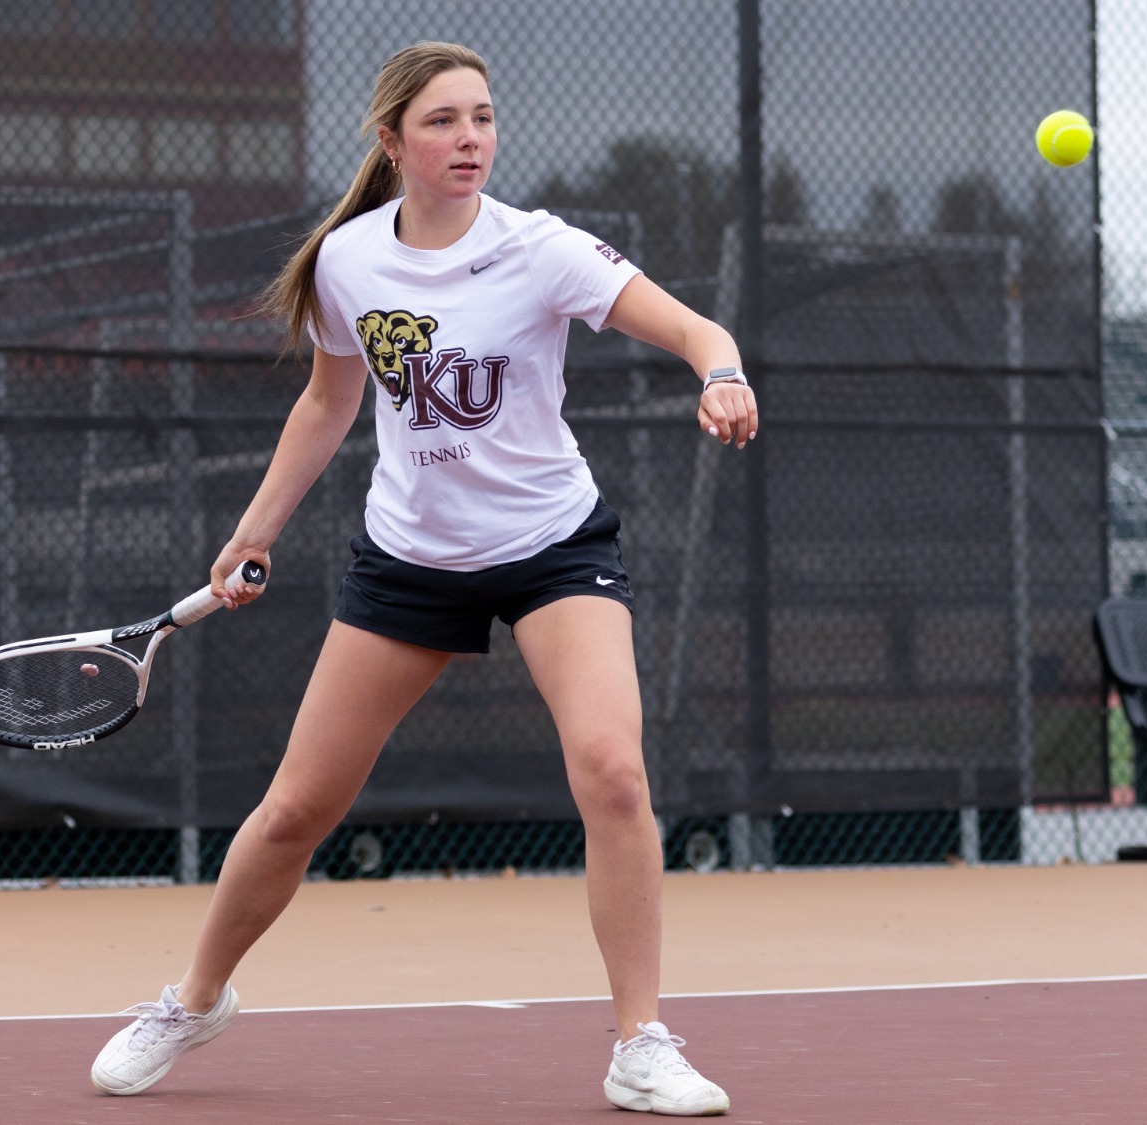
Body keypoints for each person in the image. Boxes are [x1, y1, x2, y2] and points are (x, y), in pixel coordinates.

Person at [88, 41, 755, 1117]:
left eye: (482, 117)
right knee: (297, 807)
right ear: (393, 141)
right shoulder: (347, 261)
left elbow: (693, 326)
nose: (469, 139)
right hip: (410, 559)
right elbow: (328, 401)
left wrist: (719, 373)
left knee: (614, 774)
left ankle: (641, 1042)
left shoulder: (540, 250)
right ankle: (193, 1001)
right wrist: (254, 531)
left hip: (552, 547)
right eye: (443, 121)